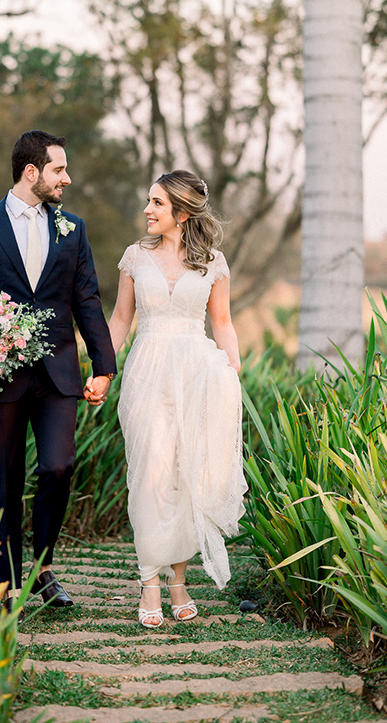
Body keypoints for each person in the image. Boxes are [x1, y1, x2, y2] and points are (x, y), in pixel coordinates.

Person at [0, 130, 116, 611]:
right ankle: (5, 582)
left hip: (59, 374)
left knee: (58, 467)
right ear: (32, 172)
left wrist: (103, 366)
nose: (68, 178)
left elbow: (87, 300)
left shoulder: (71, 228)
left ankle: (42, 566)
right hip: (0, 376)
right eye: (60, 169)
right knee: (4, 477)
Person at [91, 170, 247, 628]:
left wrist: (232, 372)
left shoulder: (213, 262)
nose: (147, 210)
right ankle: (149, 580)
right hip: (148, 373)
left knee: (186, 475)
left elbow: (222, 323)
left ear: (181, 212)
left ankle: (177, 579)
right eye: (148, 201)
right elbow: (120, 319)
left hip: (198, 373)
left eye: (157, 203)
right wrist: (102, 369)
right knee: (153, 472)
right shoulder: (135, 257)